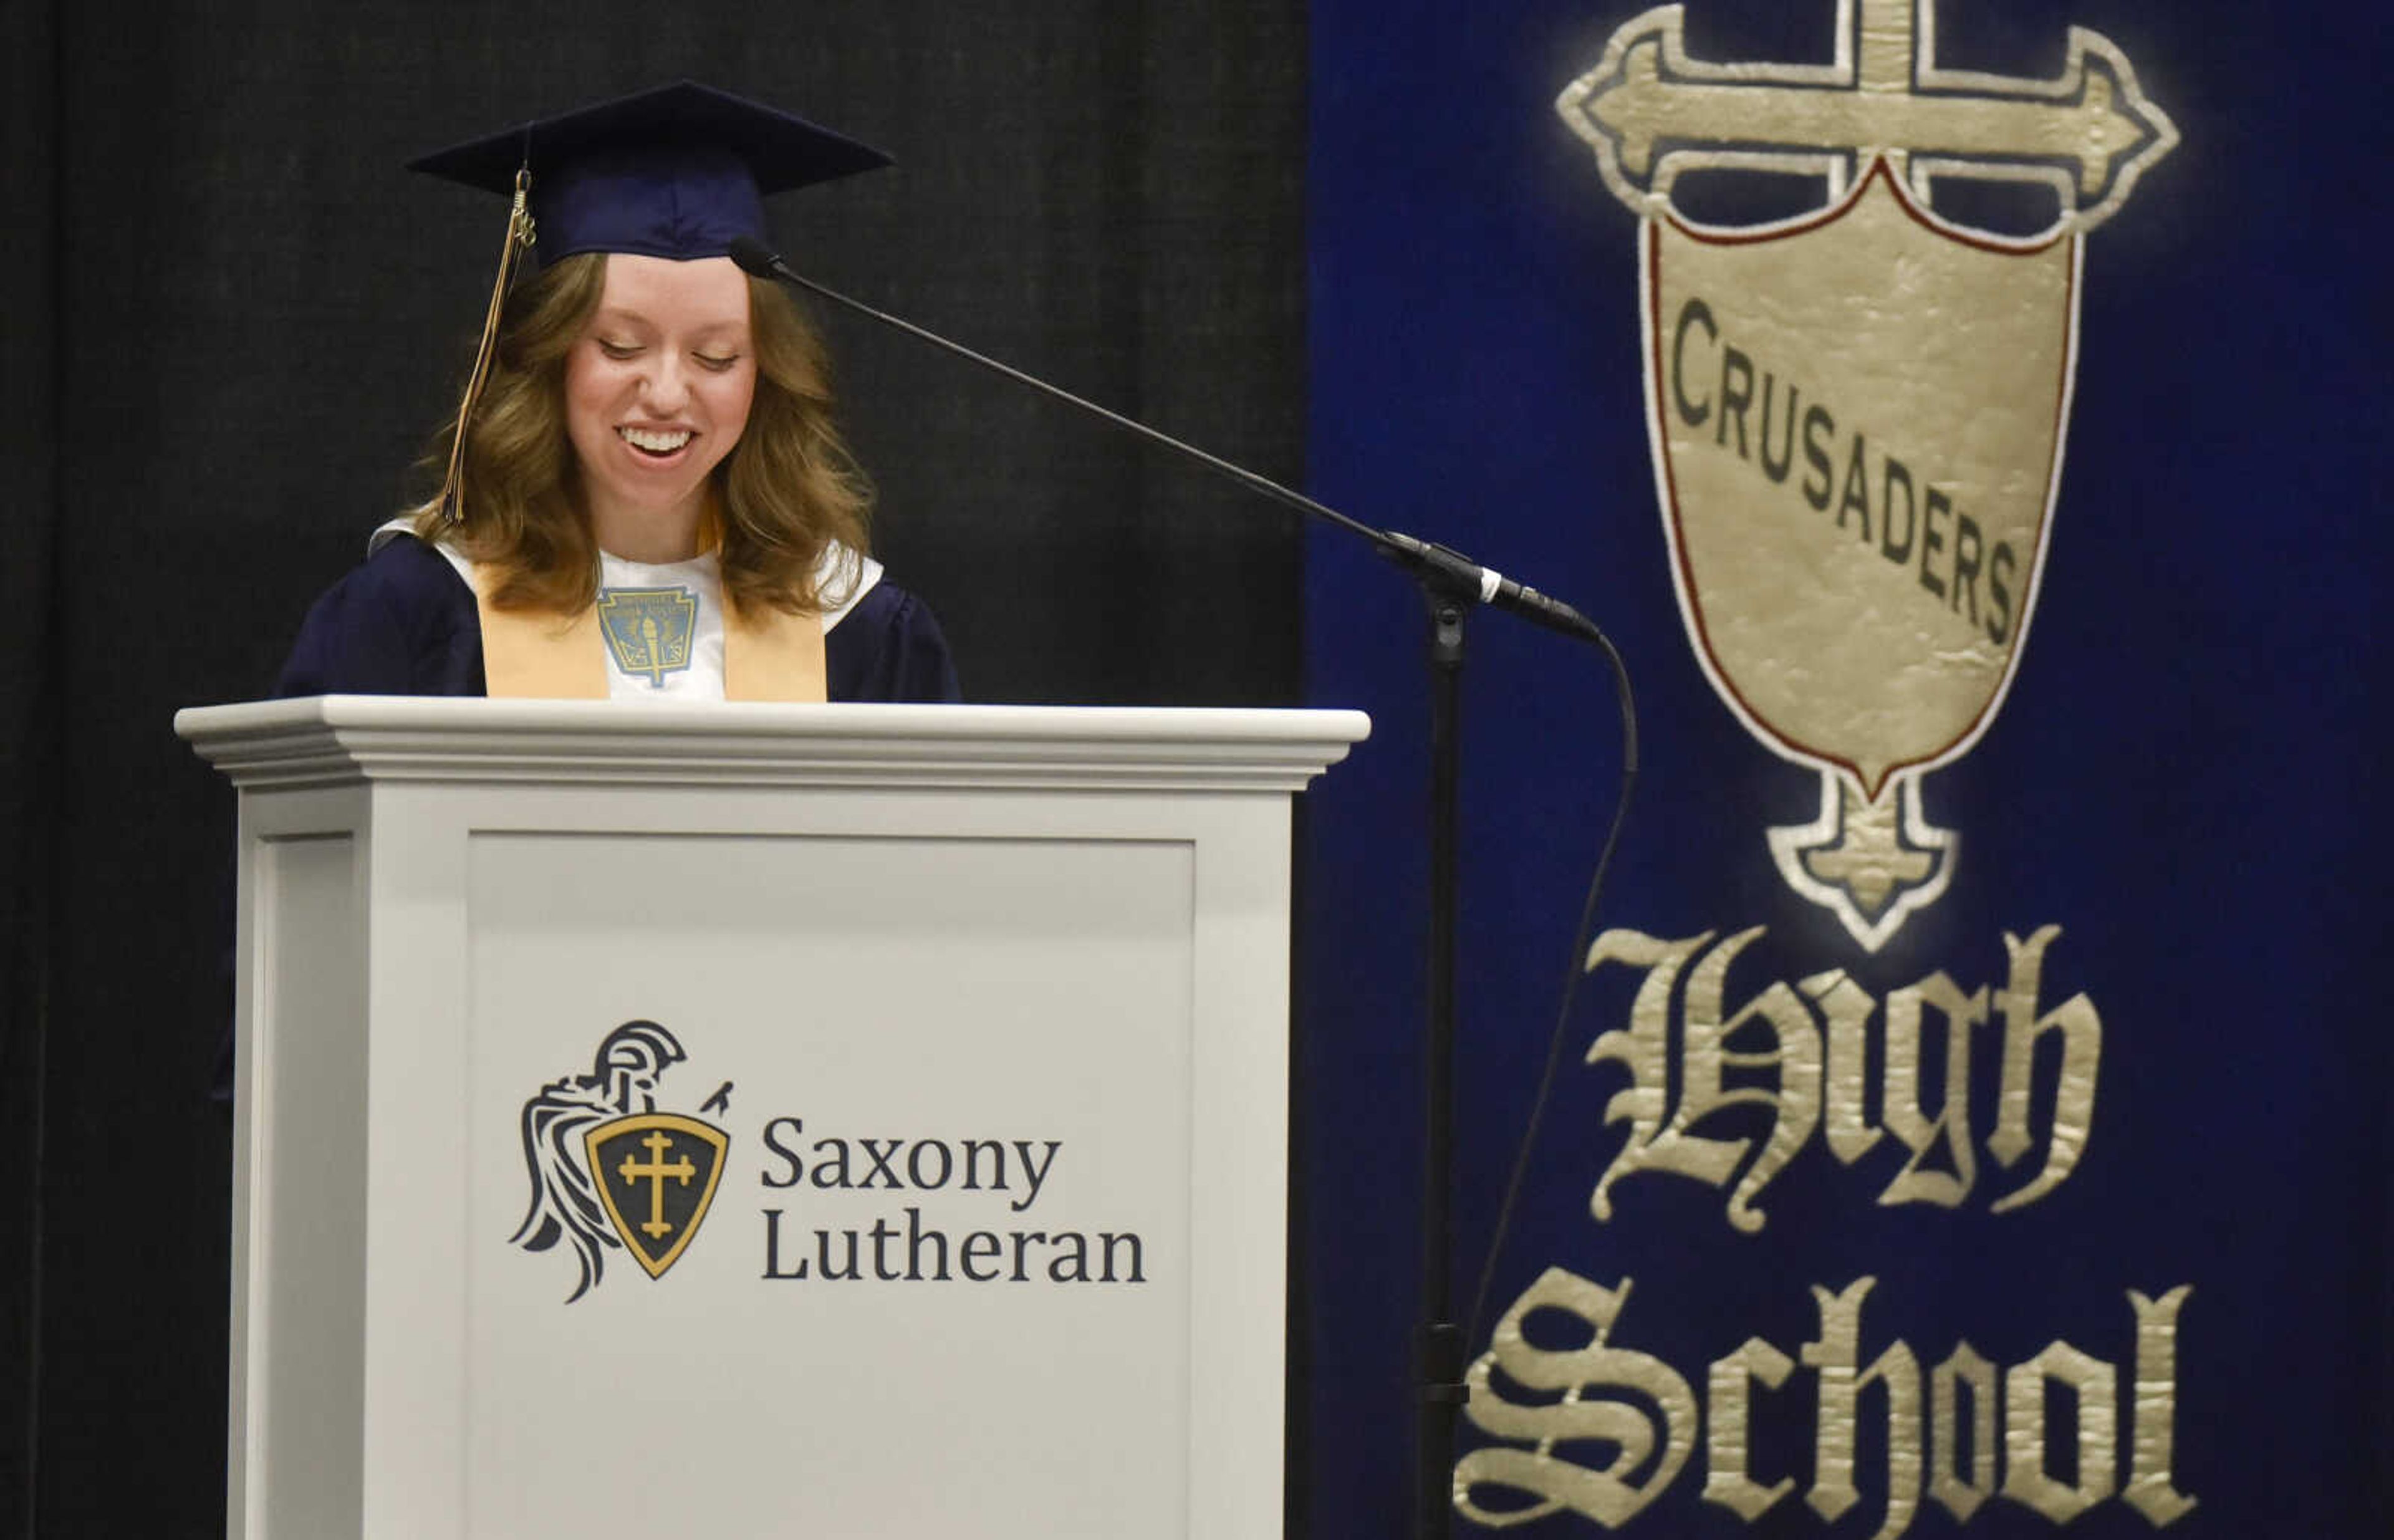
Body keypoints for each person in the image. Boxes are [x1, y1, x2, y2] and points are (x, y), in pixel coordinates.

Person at [276, 82, 959, 704]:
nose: (666, 394)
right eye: (620, 346)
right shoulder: (417, 610)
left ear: (766, 374)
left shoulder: (860, 627)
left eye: (716, 356)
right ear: (550, 357)